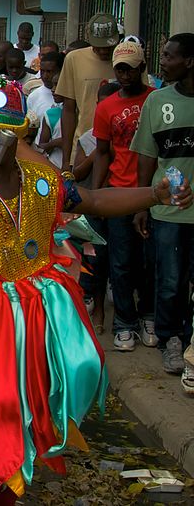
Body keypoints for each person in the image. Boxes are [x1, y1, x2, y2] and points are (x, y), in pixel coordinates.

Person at [0, 75, 191, 505]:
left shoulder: (44, 181)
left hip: (33, 321)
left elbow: (95, 201)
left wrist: (155, 193)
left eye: (0, 132)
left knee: (21, 419)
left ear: (21, 133)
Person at [131, 33, 194, 391]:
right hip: (168, 213)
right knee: (169, 281)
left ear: (189, 62)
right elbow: (146, 156)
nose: (163, 62)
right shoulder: (157, 101)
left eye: (169, 56)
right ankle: (171, 339)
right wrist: (144, 202)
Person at [91, 40, 156, 352]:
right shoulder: (106, 108)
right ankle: (125, 323)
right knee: (120, 262)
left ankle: (148, 315)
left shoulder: (156, 99)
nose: (125, 75)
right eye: (120, 69)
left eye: (130, 69)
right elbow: (102, 153)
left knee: (150, 261)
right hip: (119, 192)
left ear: (141, 67)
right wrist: (95, 197)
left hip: (154, 194)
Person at [57, 12, 119, 172]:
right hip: (84, 151)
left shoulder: (127, 60)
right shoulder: (74, 59)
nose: (104, 51)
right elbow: (69, 110)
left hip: (121, 153)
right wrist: (66, 160)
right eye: (99, 46)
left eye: (108, 46)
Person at [28, 49, 66, 167]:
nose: (45, 76)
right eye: (42, 71)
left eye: (49, 71)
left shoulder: (69, 98)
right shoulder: (34, 96)